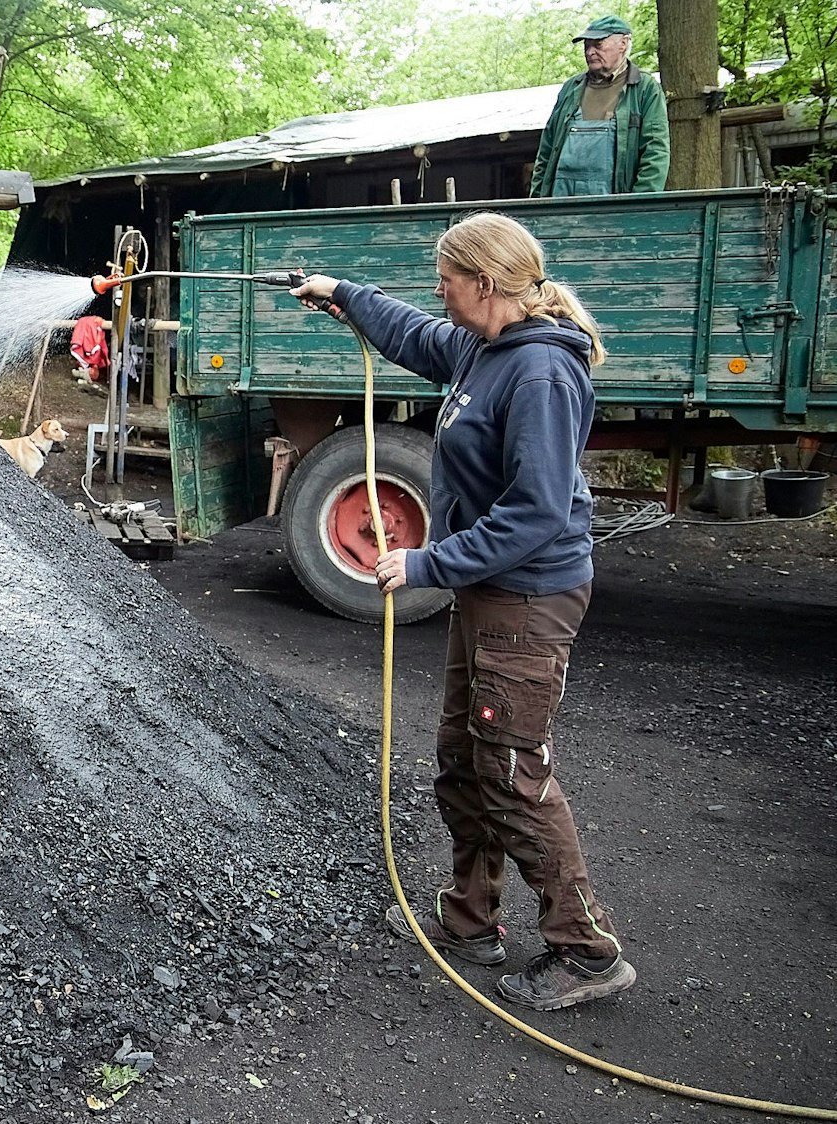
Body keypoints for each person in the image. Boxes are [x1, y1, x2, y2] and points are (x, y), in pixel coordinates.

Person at [290, 212, 636, 1012]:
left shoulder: (540, 374)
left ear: (483, 282)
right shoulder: (484, 347)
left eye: (446, 277)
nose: (436, 289)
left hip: (527, 598)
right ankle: (469, 919)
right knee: (462, 753)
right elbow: (412, 334)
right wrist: (343, 293)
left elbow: (537, 512)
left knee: (511, 771)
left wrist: (425, 563)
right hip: (489, 594)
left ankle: (585, 953)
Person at [529, 16, 670, 198]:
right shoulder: (571, 88)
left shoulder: (644, 88)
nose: (590, 52)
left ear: (623, 44)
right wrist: (538, 201)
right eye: (587, 46)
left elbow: (655, 151)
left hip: (614, 204)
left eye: (598, 45)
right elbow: (546, 150)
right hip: (561, 202)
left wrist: (638, 204)